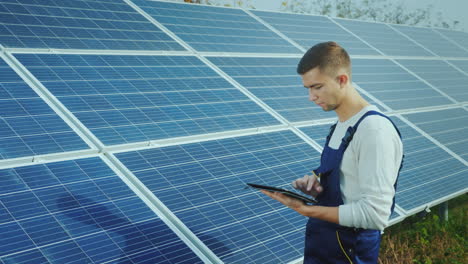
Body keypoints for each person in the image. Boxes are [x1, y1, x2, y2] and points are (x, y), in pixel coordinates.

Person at [260, 41, 404, 263]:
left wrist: (306, 210)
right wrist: (316, 185)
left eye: (317, 87)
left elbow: (375, 215)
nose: (311, 97)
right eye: (308, 89)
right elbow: (347, 186)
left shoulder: (374, 130)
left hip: (350, 252)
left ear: (342, 80)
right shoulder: (340, 127)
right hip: (323, 248)